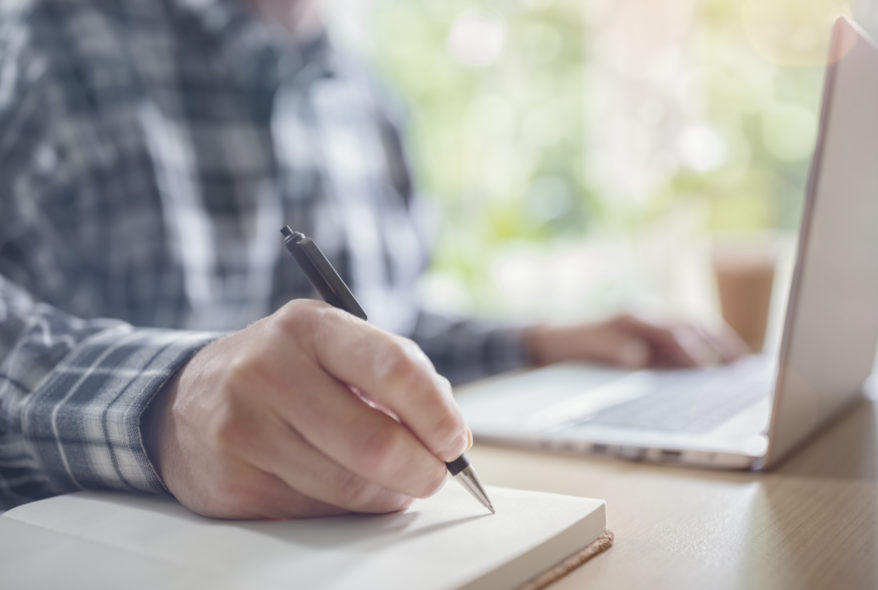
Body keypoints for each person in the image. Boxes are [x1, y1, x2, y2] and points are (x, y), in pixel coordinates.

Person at [0, 0, 745, 519]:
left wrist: (534, 342)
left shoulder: (367, 99)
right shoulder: (33, 44)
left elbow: (375, 326)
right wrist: (164, 406)